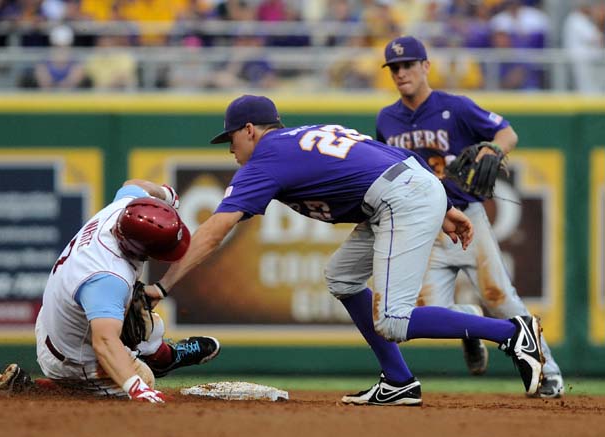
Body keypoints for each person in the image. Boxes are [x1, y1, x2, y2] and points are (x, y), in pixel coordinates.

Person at [141, 94, 545, 406]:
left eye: (230, 137)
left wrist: (164, 286)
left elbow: (214, 231)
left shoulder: (266, 157)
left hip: (399, 199)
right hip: (404, 189)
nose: (229, 148)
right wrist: (445, 207)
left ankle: (512, 332)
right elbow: (393, 157)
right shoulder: (303, 138)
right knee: (341, 276)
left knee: (392, 321)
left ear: (249, 129)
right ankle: (399, 382)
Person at [374, 35, 563, 397]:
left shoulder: (454, 107)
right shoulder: (387, 119)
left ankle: (548, 372)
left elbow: (507, 132)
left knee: (500, 297)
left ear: (426, 66)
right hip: (423, 225)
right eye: (394, 68)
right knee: (430, 312)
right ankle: (471, 322)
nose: (401, 73)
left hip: (467, 217)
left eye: (408, 65)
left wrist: (494, 147)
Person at [0, 180, 220, 403]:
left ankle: (166, 357)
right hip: (72, 356)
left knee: (145, 320)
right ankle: (31, 390)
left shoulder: (124, 209)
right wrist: (139, 389)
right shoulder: (108, 278)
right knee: (144, 378)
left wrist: (166, 195)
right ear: (140, 249)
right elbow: (104, 342)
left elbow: (132, 184)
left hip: (62, 321)